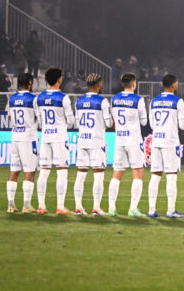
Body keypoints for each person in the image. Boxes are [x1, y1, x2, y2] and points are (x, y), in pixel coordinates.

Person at [36, 66, 75, 215]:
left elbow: (39, 120)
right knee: (62, 171)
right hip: (59, 138)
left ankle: (41, 206)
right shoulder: (63, 98)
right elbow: (71, 121)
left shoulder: (39, 98)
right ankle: (60, 206)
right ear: (59, 80)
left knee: (44, 172)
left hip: (45, 137)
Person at [148, 73, 184, 218]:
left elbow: (152, 124)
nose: (177, 85)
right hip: (170, 142)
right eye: (177, 83)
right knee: (171, 175)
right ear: (172, 85)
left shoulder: (154, 101)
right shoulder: (178, 101)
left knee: (155, 175)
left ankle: (151, 209)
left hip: (156, 140)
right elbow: (183, 126)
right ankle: (171, 210)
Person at [109, 72, 148, 217]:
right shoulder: (138, 100)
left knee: (117, 174)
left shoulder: (114, 99)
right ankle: (132, 209)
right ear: (134, 84)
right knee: (137, 174)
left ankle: (111, 208)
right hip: (134, 140)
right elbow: (144, 122)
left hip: (120, 140)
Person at [74, 73, 113, 215]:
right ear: (99, 84)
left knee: (81, 174)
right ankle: (96, 207)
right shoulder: (102, 102)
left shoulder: (79, 101)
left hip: (82, 140)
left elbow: (76, 123)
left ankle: (78, 207)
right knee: (98, 174)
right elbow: (108, 123)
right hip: (97, 141)